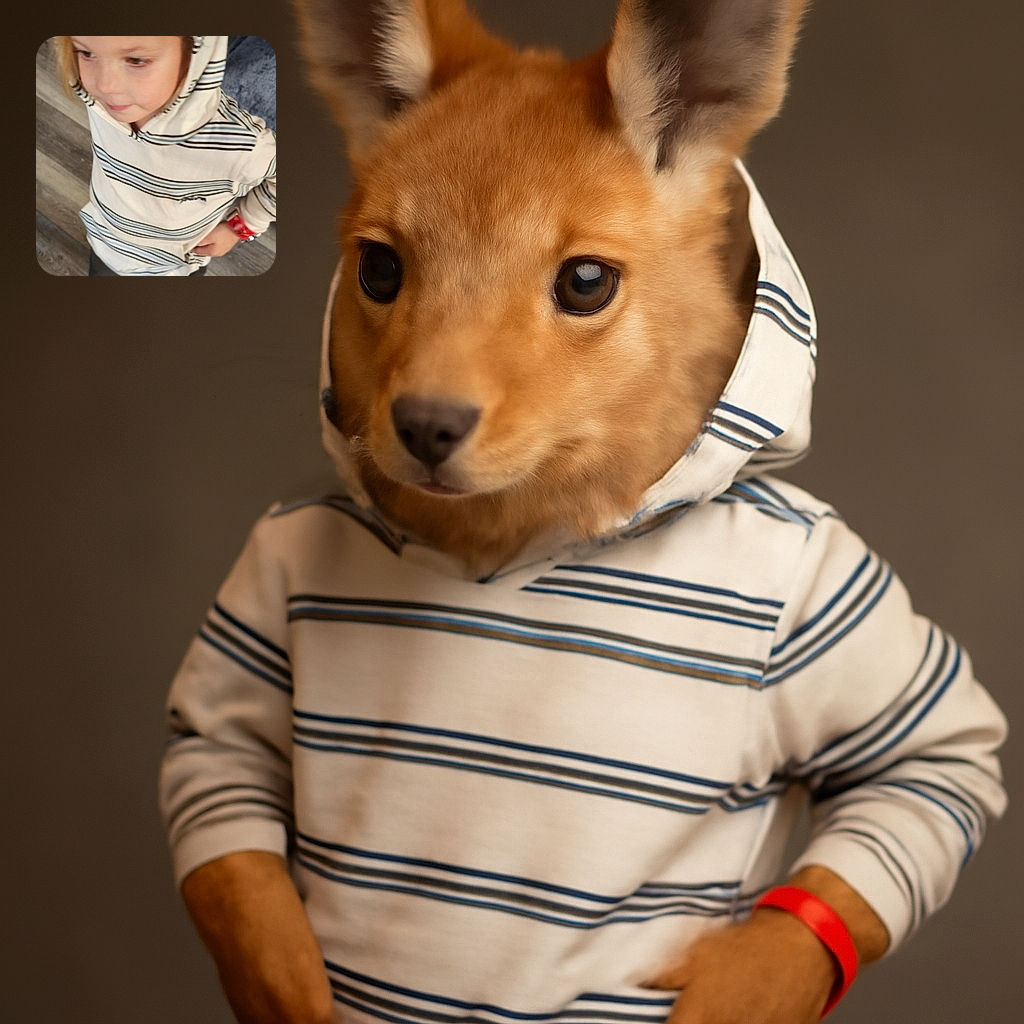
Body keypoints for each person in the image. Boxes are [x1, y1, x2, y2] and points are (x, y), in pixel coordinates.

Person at [55, 35, 276, 276]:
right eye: (87, 54)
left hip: (173, 269)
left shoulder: (241, 143)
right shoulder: (101, 102)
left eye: (136, 60)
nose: (104, 85)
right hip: (105, 246)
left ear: (196, 50)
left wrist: (240, 227)